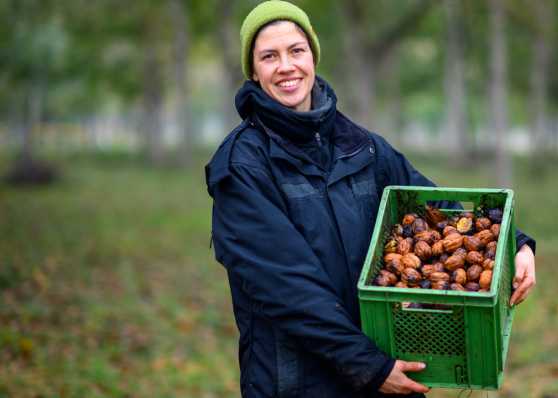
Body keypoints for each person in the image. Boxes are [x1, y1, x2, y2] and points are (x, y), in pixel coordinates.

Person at [205, 1, 536, 397]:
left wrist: (513, 245)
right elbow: (287, 289)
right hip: (299, 381)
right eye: (269, 56)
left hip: (381, 370)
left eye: (296, 50)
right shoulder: (242, 165)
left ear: (312, 56)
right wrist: (369, 367)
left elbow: (432, 205)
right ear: (254, 72)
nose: (286, 66)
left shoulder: (360, 145)